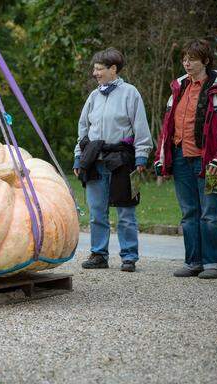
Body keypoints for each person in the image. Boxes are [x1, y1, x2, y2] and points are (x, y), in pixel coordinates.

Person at [154, 39, 217, 279]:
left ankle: (215, 263)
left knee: (211, 212)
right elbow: (167, 126)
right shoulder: (179, 87)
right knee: (189, 212)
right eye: (184, 59)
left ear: (205, 60)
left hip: (211, 161)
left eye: (191, 59)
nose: (186, 63)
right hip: (182, 158)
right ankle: (193, 262)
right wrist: (162, 156)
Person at [73, 48, 153, 272]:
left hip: (122, 160)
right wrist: (79, 159)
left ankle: (129, 256)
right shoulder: (94, 96)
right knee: (97, 211)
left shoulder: (130, 93)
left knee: (126, 211)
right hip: (95, 160)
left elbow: (141, 129)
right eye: (95, 69)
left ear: (113, 69)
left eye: (99, 69)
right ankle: (99, 254)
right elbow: (83, 130)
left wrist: (141, 158)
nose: (95, 73)